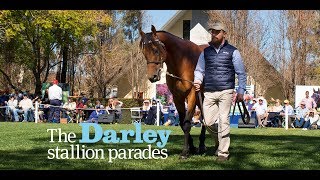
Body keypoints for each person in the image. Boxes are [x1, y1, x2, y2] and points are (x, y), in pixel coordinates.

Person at [193, 20, 247, 162]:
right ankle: (219, 142)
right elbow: (199, 70)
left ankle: (223, 152)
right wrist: (197, 80)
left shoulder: (233, 51)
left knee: (224, 120)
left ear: (224, 34)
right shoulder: (205, 52)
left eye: (217, 32)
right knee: (208, 122)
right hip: (209, 91)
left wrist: (241, 90)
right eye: (212, 31)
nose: (214, 34)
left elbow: (241, 72)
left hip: (226, 90)